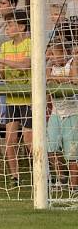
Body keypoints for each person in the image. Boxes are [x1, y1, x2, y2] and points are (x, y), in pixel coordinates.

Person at [0, 9, 32, 188]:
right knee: (9, 142)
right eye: (6, 25)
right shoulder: (5, 47)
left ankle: (43, 174)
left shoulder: (31, 43)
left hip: (29, 100)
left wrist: (3, 62)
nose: (7, 28)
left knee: (30, 142)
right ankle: (15, 177)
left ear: (21, 27)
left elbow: (25, 65)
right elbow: (2, 72)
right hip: (12, 100)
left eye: (11, 24)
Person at [45, 41, 77, 195]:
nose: (51, 57)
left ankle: (73, 186)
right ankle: (61, 177)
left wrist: (57, 79)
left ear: (64, 52)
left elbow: (74, 80)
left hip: (73, 112)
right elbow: (45, 81)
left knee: (72, 152)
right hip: (56, 113)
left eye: (53, 53)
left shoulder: (72, 63)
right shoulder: (49, 66)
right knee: (51, 147)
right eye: (49, 53)